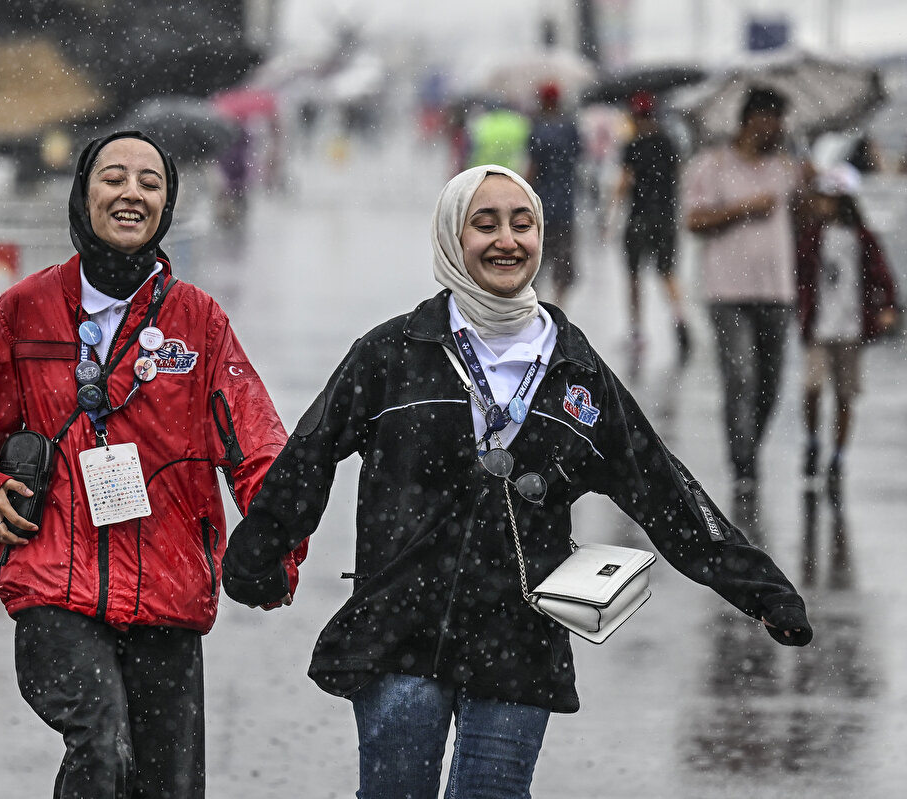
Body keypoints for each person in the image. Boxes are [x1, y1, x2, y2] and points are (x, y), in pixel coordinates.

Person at [222, 164, 813, 799]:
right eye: (485, 224)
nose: (507, 240)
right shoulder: (392, 353)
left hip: (518, 640)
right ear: (453, 237)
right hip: (398, 628)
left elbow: (663, 490)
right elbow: (311, 452)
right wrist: (259, 551)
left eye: (522, 223)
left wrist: (762, 589)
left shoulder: (576, 371)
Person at [0, 130, 304, 798]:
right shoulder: (25, 308)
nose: (132, 192)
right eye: (114, 177)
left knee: (167, 788)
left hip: (169, 593)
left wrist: (275, 547)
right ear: (83, 192)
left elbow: (260, 449)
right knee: (103, 751)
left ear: (166, 204)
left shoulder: (200, 322)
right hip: (54, 589)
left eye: (150, 183)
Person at [683, 86, 809, 519]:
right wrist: (742, 208)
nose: (776, 127)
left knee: (770, 383)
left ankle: (748, 446)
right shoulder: (711, 165)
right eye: (770, 118)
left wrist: (810, 187)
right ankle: (743, 467)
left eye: (781, 120)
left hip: (777, 291)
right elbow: (694, 220)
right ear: (751, 119)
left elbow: (808, 216)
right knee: (741, 378)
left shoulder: (787, 167)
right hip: (727, 292)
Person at [795, 162, 898, 502]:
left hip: (851, 329)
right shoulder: (811, 235)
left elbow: (883, 275)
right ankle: (812, 441)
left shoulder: (863, 237)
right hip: (819, 327)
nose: (821, 203)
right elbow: (799, 273)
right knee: (812, 388)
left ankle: (837, 456)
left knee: (844, 395)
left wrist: (887, 307)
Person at [605, 90, 691, 367]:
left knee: (634, 278)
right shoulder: (669, 142)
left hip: (639, 218)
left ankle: (637, 331)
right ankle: (680, 320)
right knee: (667, 273)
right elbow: (679, 177)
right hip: (665, 218)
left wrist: (610, 214)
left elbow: (623, 183)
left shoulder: (632, 145)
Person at [526, 81, 582, 306]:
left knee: (535, 260)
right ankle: (559, 305)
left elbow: (533, 167)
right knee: (564, 262)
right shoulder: (570, 127)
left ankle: (537, 304)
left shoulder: (537, 128)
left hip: (541, 205)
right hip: (566, 204)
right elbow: (578, 158)